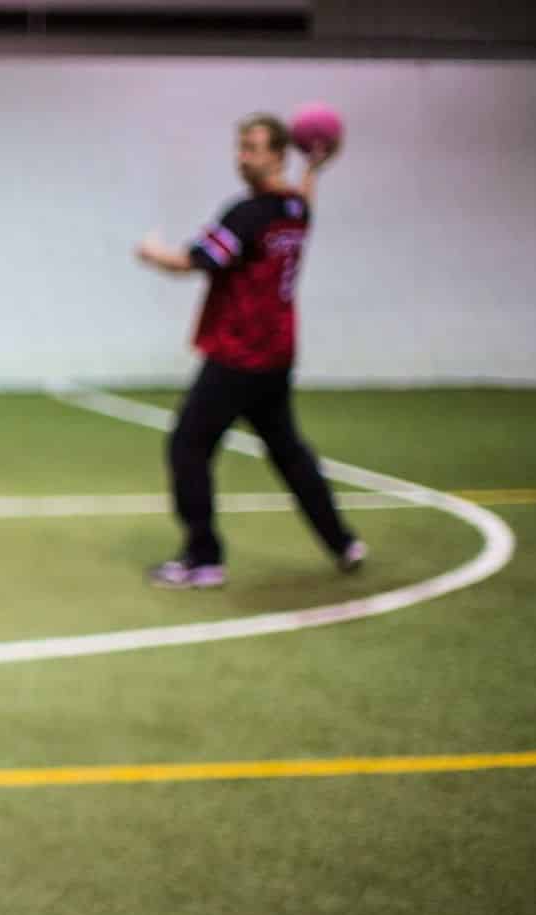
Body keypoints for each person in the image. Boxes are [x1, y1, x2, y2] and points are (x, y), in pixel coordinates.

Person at [135, 113, 366, 589]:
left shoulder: (247, 214)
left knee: (188, 445)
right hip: (275, 356)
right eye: (239, 147)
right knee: (288, 452)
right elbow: (302, 200)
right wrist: (315, 169)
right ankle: (342, 542)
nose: (242, 157)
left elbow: (194, 262)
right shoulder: (295, 210)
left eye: (252, 148)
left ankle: (203, 559)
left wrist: (152, 252)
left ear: (278, 154)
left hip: (238, 355)